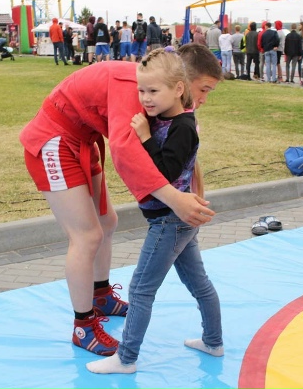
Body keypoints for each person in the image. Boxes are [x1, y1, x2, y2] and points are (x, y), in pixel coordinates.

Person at [19, 43, 220, 357]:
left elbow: (180, 154)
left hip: (82, 138)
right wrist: (174, 199)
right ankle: (83, 326)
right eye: (204, 89)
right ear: (181, 82)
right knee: (86, 236)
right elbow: (126, 153)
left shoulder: (163, 93)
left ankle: (100, 296)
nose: (205, 98)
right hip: (54, 140)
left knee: (107, 222)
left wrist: (191, 192)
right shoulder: (142, 89)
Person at [86, 46, 223, 374]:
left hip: (169, 221)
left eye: (153, 91)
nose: (145, 99)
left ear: (178, 88)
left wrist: (146, 137)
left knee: (141, 289)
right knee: (199, 283)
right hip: (175, 222)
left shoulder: (183, 126)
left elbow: (166, 172)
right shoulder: (166, 117)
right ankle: (213, 341)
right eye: (141, 91)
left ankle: (126, 358)